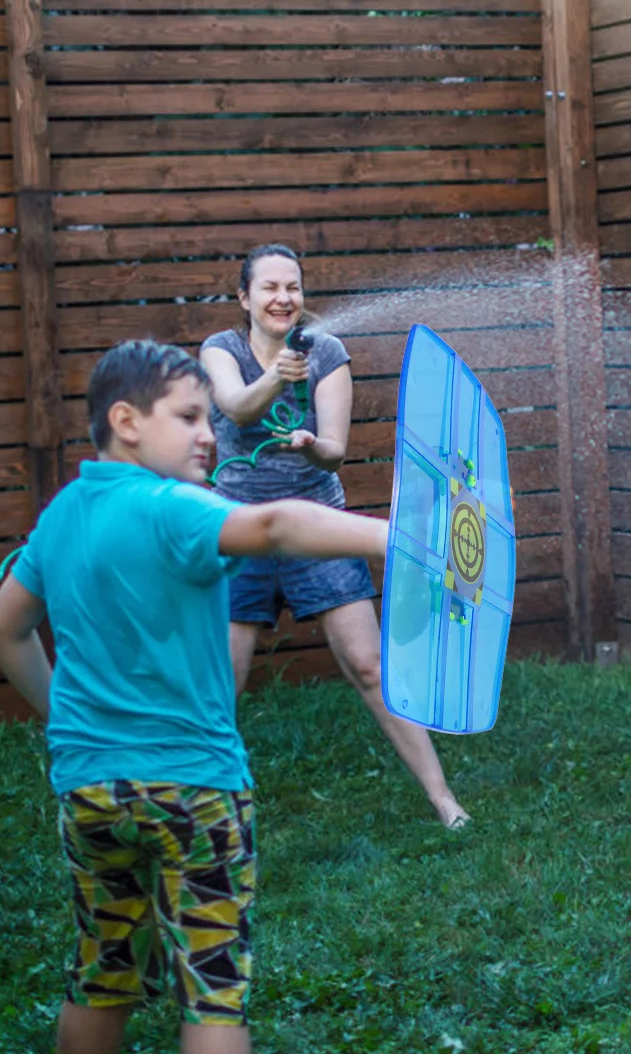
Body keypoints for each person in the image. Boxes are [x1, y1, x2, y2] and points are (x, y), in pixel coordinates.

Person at [0, 338, 394, 1054]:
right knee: (213, 993)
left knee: (103, 969)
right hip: (195, 793)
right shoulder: (173, 507)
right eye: (191, 417)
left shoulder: (63, 515)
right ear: (124, 423)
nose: (211, 435)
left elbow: (3, 625)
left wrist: (68, 724)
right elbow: (281, 528)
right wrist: (402, 538)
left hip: (91, 793)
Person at [199, 243, 471, 829]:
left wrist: (311, 445)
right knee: (222, 682)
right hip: (238, 532)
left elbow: (335, 453)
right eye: (269, 287)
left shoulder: (326, 351)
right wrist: (275, 377)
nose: (283, 298)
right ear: (244, 297)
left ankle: (444, 800)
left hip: (316, 525)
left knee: (369, 665)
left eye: (292, 287)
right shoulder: (220, 351)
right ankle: (205, 813)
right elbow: (237, 408)